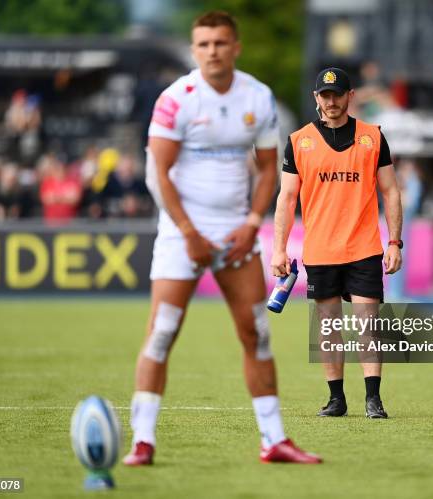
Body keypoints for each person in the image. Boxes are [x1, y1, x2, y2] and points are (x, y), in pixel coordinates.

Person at [123, 11, 321, 466]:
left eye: (220, 43)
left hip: (237, 236)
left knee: (256, 333)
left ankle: (274, 441)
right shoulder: (177, 99)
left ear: (236, 47)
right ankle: (143, 441)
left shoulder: (259, 96)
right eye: (204, 44)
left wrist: (252, 223)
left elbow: (271, 167)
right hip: (181, 235)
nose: (212, 51)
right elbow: (158, 173)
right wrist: (189, 232)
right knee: (162, 334)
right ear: (194, 50)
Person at [272, 67, 403, 419]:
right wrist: (279, 249)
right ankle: (336, 399)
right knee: (328, 328)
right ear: (316, 98)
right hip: (320, 250)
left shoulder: (373, 137)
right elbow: (286, 199)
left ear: (350, 96)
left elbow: (390, 192)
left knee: (367, 325)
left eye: (337, 94)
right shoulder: (299, 140)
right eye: (324, 95)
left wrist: (394, 242)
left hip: (364, 247)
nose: (331, 101)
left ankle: (373, 398)